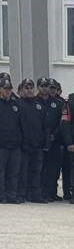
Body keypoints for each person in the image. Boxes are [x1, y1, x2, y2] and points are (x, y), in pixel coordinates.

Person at [0, 75, 23, 203]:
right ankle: (1, 195)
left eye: (9, 88)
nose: (8, 91)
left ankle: (12, 195)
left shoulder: (16, 104)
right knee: (1, 172)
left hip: (14, 145)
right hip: (1, 145)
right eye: (5, 88)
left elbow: (21, 124)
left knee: (13, 172)